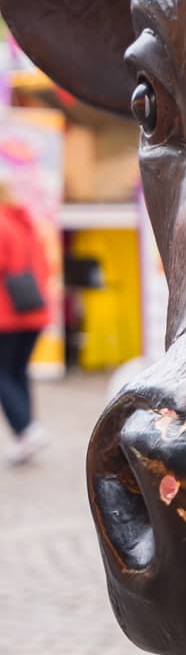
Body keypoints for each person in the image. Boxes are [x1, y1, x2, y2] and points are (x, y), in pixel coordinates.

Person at [0, 179, 50, 464]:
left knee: (4, 373)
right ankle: (26, 433)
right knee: (17, 371)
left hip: (6, 315)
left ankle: (26, 429)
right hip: (33, 312)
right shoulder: (26, 224)